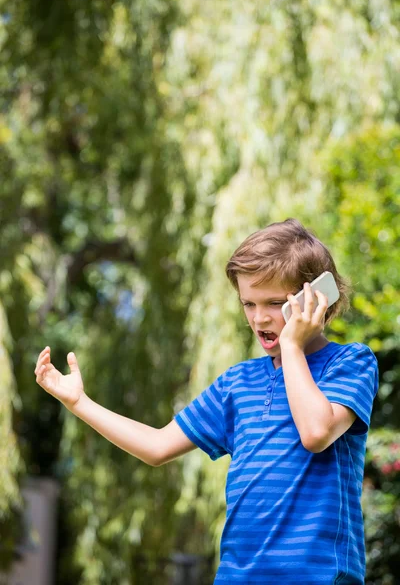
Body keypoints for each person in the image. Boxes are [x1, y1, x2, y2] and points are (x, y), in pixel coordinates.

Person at [35, 218, 378, 584]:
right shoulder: (237, 383)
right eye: (249, 303)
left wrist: (292, 345)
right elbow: (156, 446)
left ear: (316, 299)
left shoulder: (350, 363)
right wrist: (80, 403)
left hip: (317, 577)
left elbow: (315, 432)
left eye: (275, 303)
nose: (259, 318)